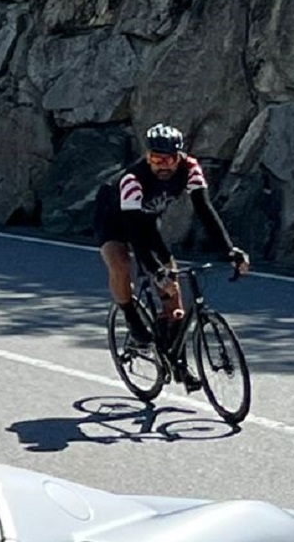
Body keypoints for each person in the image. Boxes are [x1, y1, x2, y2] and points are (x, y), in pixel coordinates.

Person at [98, 122, 250, 382]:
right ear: (148, 156)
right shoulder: (133, 180)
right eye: (157, 158)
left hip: (146, 222)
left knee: (173, 292)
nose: (163, 165)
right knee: (121, 263)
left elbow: (205, 210)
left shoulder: (190, 168)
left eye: (169, 159)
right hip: (114, 221)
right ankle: (132, 319)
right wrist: (155, 271)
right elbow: (134, 235)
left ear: (179, 156)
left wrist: (229, 251)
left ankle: (175, 360)